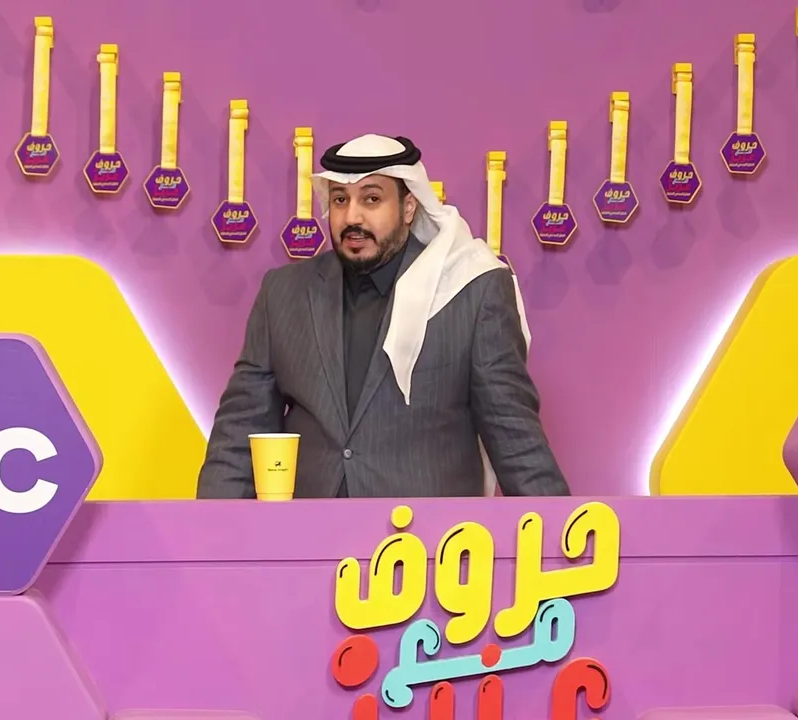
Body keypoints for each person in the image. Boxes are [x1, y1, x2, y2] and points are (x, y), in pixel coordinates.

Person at [197, 134, 569, 498]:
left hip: (426, 535)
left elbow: (514, 437)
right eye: (340, 199)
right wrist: (209, 531)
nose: (352, 217)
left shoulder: (469, 291)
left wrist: (564, 533)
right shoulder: (284, 292)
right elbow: (240, 430)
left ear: (409, 207)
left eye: (371, 199)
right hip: (309, 534)